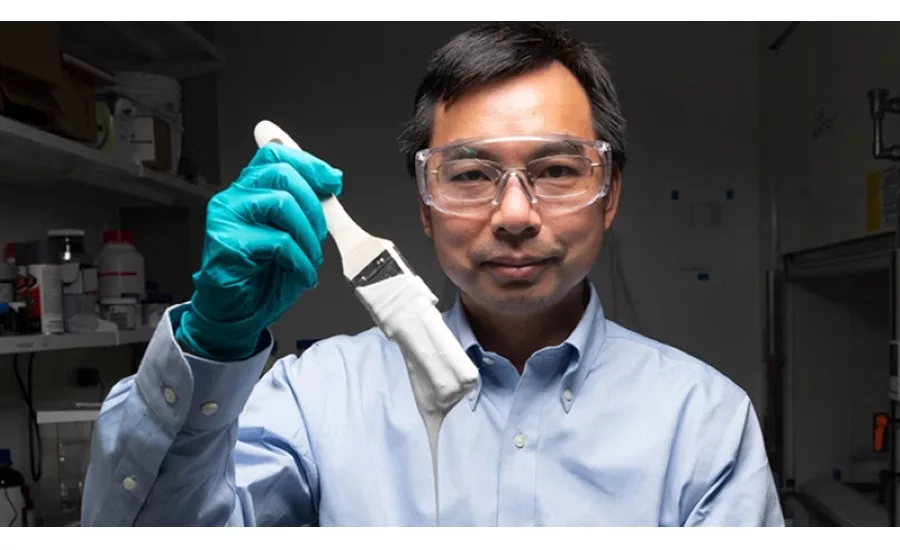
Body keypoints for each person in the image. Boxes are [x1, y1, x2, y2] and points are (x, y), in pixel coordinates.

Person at [80, 22, 784, 527]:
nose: (514, 213)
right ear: (425, 203)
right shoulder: (313, 399)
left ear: (611, 195)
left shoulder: (703, 423)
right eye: (472, 174)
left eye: (558, 171)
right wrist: (211, 350)